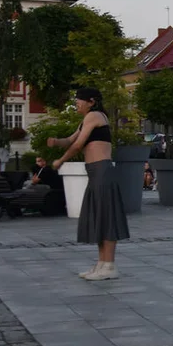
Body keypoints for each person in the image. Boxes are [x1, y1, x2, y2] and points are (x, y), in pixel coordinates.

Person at [49, 87, 129, 281]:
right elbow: (70, 140)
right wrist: (55, 142)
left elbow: (77, 145)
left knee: (107, 217)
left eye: (79, 100)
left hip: (102, 171)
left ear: (91, 101)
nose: (76, 103)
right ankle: (101, 264)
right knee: (100, 217)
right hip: (95, 173)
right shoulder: (87, 119)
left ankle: (109, 265)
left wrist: (61, 161)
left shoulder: (94, 116)